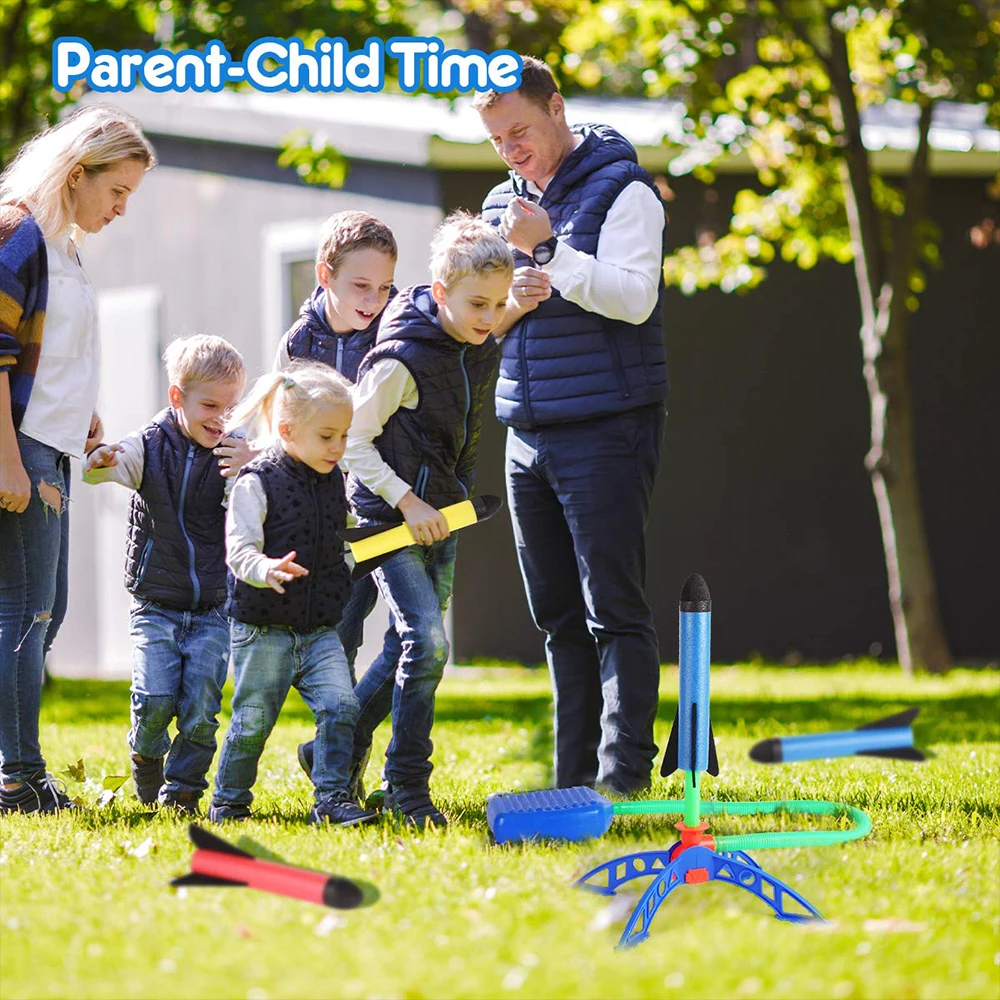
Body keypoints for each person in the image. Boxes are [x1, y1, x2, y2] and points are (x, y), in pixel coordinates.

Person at [473, 57, 669, 795]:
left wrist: (551, 249)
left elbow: (635, 299)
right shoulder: (502, 202)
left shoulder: (625, 189)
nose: (511, 150)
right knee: (556, 617)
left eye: (519, 131)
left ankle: (622, 781)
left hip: (606, 426)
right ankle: (572, 783)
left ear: (556, 108)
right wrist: (508, 305)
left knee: (611, 609)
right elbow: (484, 321)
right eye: (497, 140)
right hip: (525, 429)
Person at [331, 212, 513, 828]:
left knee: (408, 647)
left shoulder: (475, 346)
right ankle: (407, 784)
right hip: (389, 519)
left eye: (498, 305)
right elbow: (352, 442)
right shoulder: (400, 361)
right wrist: (407, 500)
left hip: (443, 516)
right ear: (440, 293)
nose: (489, 317)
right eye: (477, 304)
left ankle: (334, 749)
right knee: (428, 643)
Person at [0, 104, 155, 814]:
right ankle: (18, 779)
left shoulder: (64, 247)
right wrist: (8, 461)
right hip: (21, 448)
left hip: (53, 445)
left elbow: (52, 350)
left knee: (45, 612)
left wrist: (81, 407)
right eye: (117, 190)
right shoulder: (19, 233)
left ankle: (16, 769)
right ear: (76, 173)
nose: (122, 208)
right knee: (26, 612)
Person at [210, 362, 377, 827]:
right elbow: (239, 551)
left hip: (319, 629)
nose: (338, 447)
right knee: (253, 722)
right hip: (264, 629)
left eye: (343, 436)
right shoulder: (256, 481)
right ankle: (229, 801)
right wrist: (267, 569)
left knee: (342, 706)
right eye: (327, 436)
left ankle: (332, 799)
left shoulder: (334, 480)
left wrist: (353, 561)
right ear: (286, 430)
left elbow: (341, 540)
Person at [83, 335, 246, 813]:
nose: (220, 418)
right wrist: (100, 460)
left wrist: (252, 465)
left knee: (200, 707)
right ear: (178, 397)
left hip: (214, 606)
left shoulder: (234, 452)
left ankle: (184, 790)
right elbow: (109, 467)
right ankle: (145, 752)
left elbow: (262, 493)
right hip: (155, 603)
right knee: (154, 698)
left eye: (230, 407)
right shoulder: (150, 445)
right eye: (209, 406)